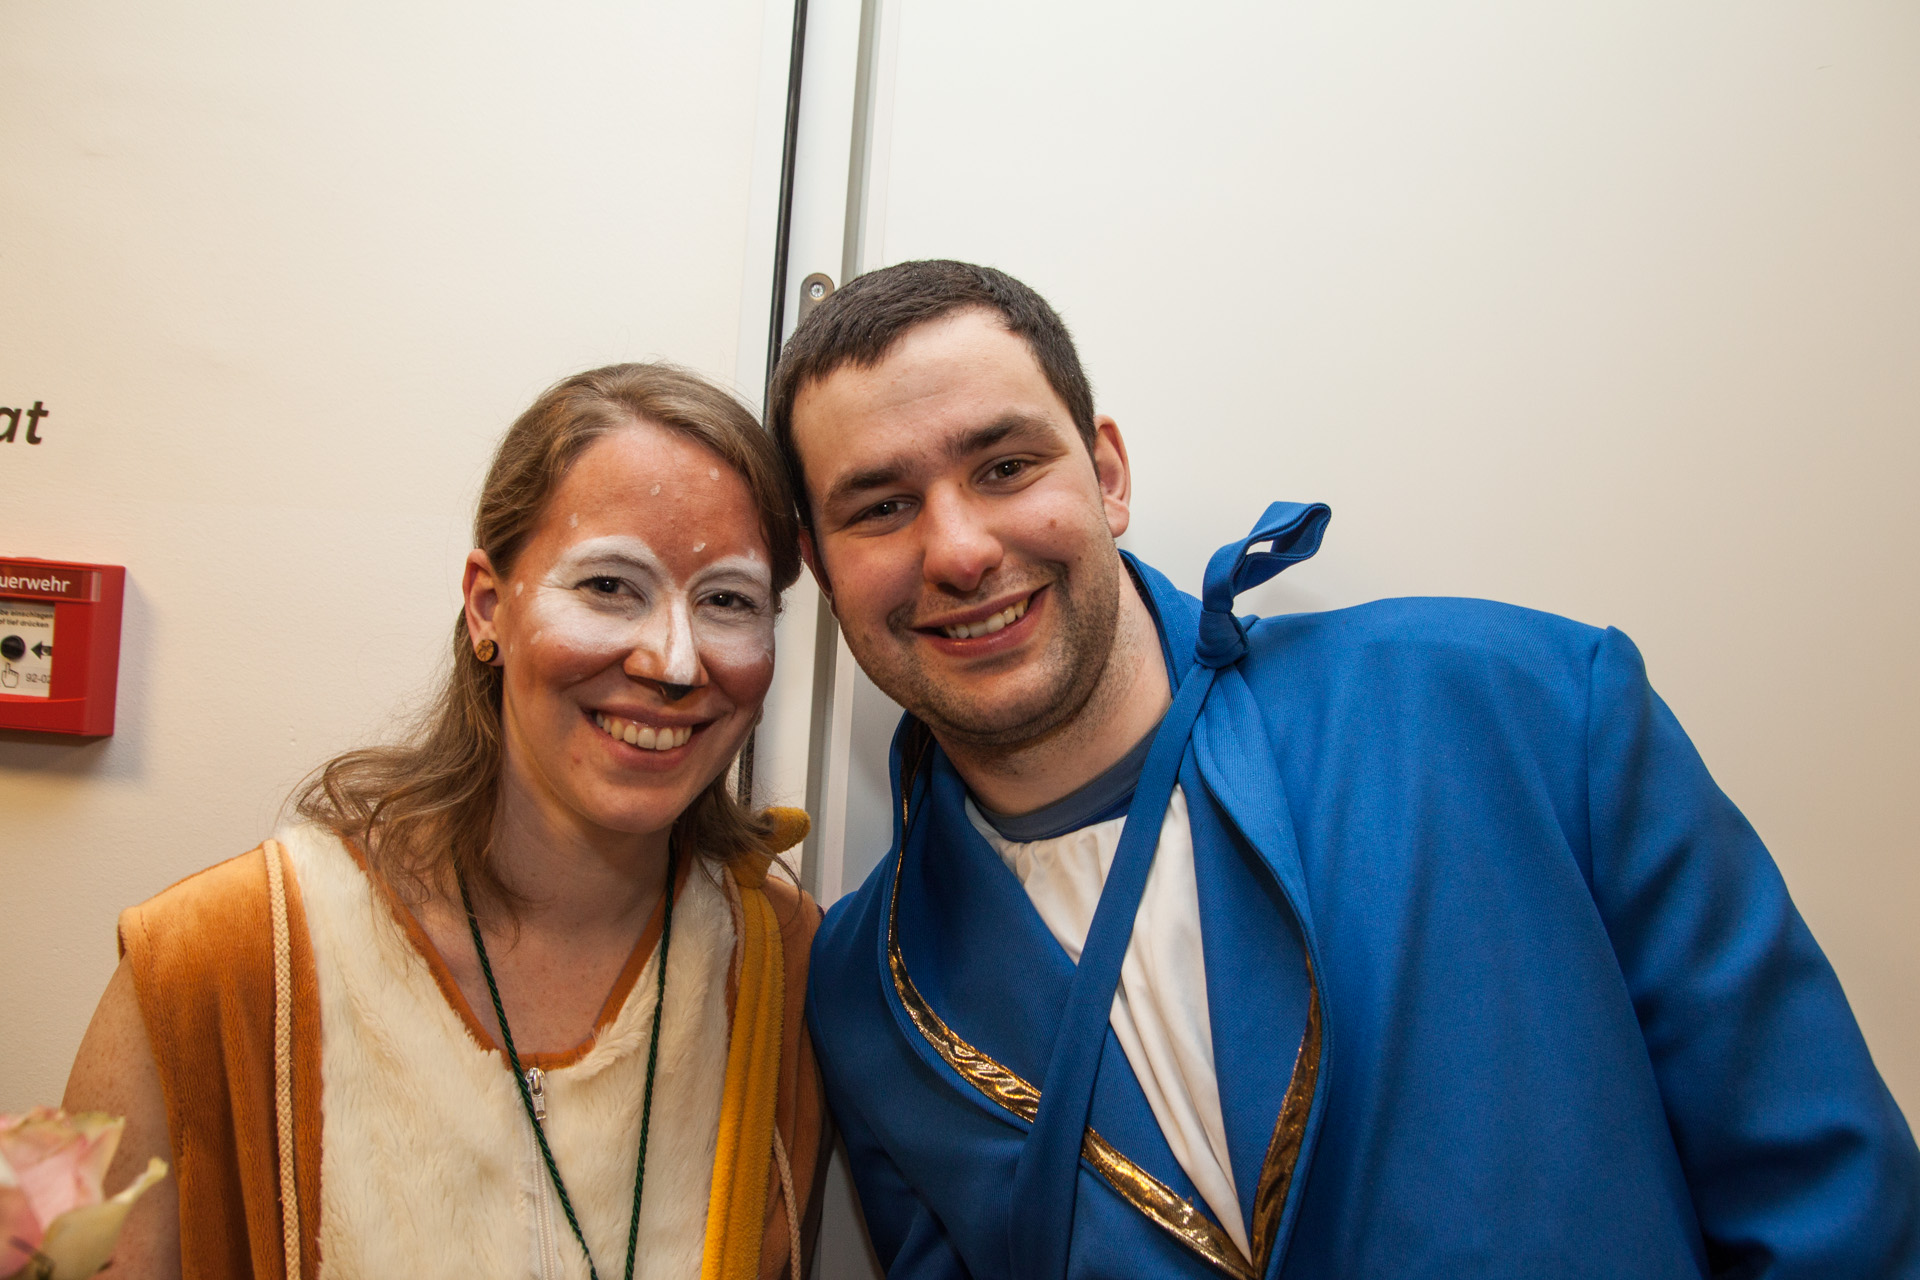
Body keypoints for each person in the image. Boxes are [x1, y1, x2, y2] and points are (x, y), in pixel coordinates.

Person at [768, 260, 1920, 1278]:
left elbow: (1832, 1215)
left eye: (1007, 464)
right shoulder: (869, 991)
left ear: (1108, 474)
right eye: (883, 505)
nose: (960, 548)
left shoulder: (1520, 706)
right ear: (820, 565)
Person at [64, 363, 829, 1280]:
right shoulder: (213, 962)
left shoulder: (786, 964)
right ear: (486, 605)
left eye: (728, 601)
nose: (673, 661)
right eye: (609, 586)